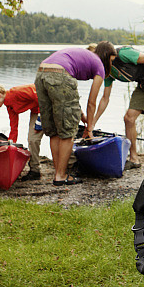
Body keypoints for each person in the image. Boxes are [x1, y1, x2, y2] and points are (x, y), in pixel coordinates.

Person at [34, 44, 116, 186]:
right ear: (106, 56)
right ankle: (61, 175)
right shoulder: (99, 66)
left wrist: (82, 116)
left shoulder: (84, 56)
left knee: (54, 130)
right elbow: (92, 102)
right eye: (112, 60)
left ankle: (58, 172)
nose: (112, 64)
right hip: (59, 75)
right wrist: (89, 128)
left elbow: (68, 99)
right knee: (68, 131)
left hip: (41, 72)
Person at [0, 83, 43, 181]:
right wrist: (10, 145)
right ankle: (35, 170)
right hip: (36, 111)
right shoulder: (9, 106)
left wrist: (41, 115)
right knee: (33, 140)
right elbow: (14, 127)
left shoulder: (17, 92)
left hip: (48, 106)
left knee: (57, 136)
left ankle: (69, 164)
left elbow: (39, 95)